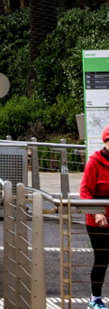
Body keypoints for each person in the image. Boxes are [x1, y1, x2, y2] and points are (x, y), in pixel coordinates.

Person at [81, 125, 109, 309]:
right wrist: (96, 211)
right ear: (106, 141)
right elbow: (85, 192)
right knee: (102, 259)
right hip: (97, 221)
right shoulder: (94, 162)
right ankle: (95, 299)